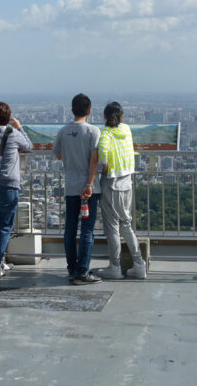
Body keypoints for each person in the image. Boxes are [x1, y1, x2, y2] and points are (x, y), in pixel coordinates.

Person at [0, 102, 32, 278]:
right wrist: (19, 127)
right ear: (8, 117)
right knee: (5, 226)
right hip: (8, 185)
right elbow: (29, 147)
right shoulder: (14, 133)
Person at [55, 93, 102, 285]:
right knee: (87, 230)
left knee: (70, 229)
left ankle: (72, 269)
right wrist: (89, 184)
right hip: (88, 188)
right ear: (89, 111)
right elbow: (94, 160)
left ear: (72, 110)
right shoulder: (93, 131)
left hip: (71, 186)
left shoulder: (63, 131)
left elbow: (58, 155)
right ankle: (82, 272)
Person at [96, 102, 146, 280]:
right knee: (126, 223)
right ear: (122, 117)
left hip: (112, 183)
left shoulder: (106, 133)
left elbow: (102, 153)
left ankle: (115, 266)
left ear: (104, 117)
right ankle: (139, 264)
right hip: (127, 182)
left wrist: (106, 165)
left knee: (113, 227)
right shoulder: (126, 129)